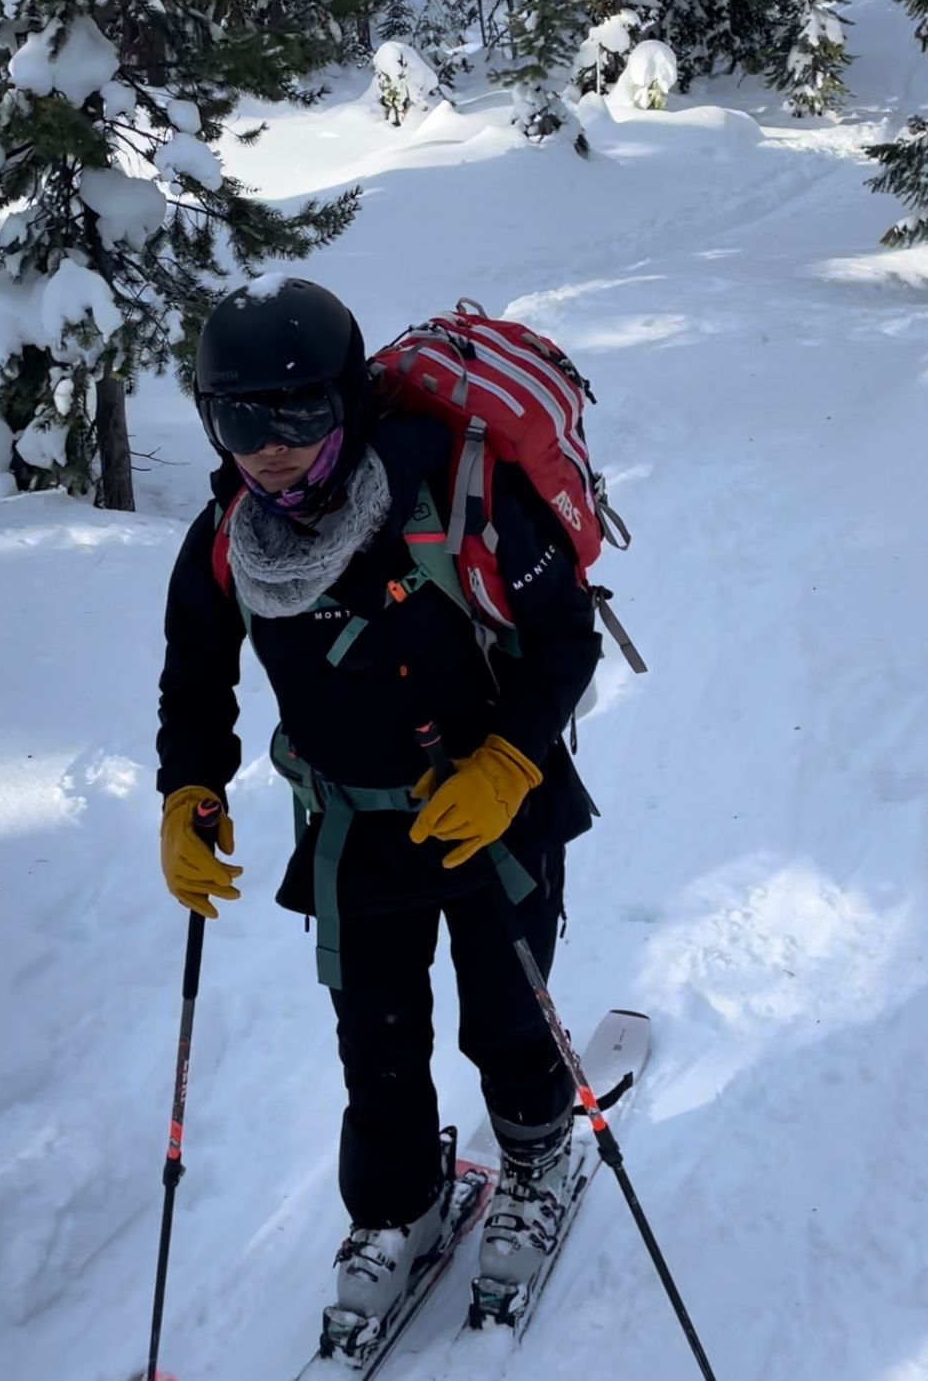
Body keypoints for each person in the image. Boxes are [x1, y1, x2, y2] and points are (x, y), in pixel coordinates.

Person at [157, 276, 600, 1326]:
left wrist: (509, 764)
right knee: (378, 1043)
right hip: (352, 831)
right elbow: (195, 677)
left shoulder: (457, 488)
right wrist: (190, 789)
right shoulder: (228, 537)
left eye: (298, 411)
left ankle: (534, 1158)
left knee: (506, 1013)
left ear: (349, 400)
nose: (267, 444)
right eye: (239, 417)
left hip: (496, 812)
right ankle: (399, 1202)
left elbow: (565, 640)